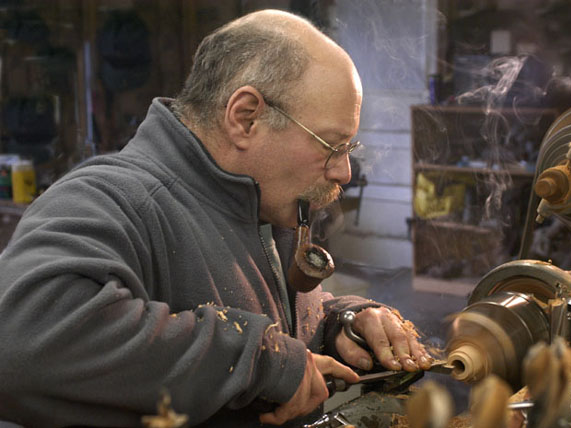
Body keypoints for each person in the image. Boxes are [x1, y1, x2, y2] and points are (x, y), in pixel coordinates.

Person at [0, 9, 432, 427]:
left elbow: (270, 323)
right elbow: (20, 342)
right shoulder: (113, 199)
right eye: (331, 145)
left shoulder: (261, 199)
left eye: (349, 149)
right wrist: (263, 361)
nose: (344, 172)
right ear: (246, 118)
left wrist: (344, 324)